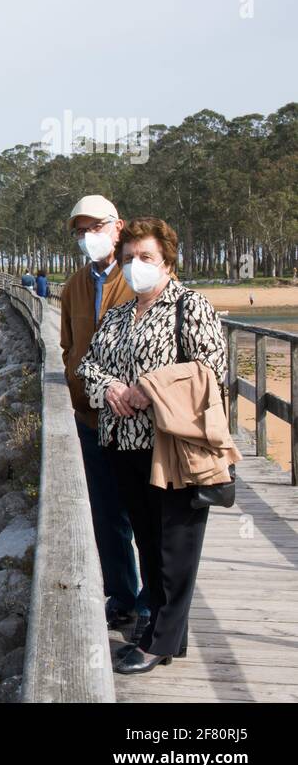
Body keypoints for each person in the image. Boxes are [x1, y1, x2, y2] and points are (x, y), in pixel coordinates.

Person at [76, 217, 229, 674]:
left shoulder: (189, 306)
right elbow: (89, 364)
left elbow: (212, 369)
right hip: (122, 445)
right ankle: (163, 632)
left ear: (167, 262)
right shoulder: (119, 314)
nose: (135, 265)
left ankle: (157, 643)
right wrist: (111, 389)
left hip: (173, 448)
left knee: (175, 547)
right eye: (128, 259)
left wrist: (147, 386)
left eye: (145, 257)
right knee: (148, 541)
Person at [58, 195, 145, 634]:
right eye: (80, 231)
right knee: (106, 514)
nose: (88, 237)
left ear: (117, 227)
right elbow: (68, 345)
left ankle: (151, 608)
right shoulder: (74, 284)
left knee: (144, 513)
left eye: (96, 227)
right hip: (90, 418)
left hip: (136, 419)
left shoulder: (139, 278)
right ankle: (123, 598)